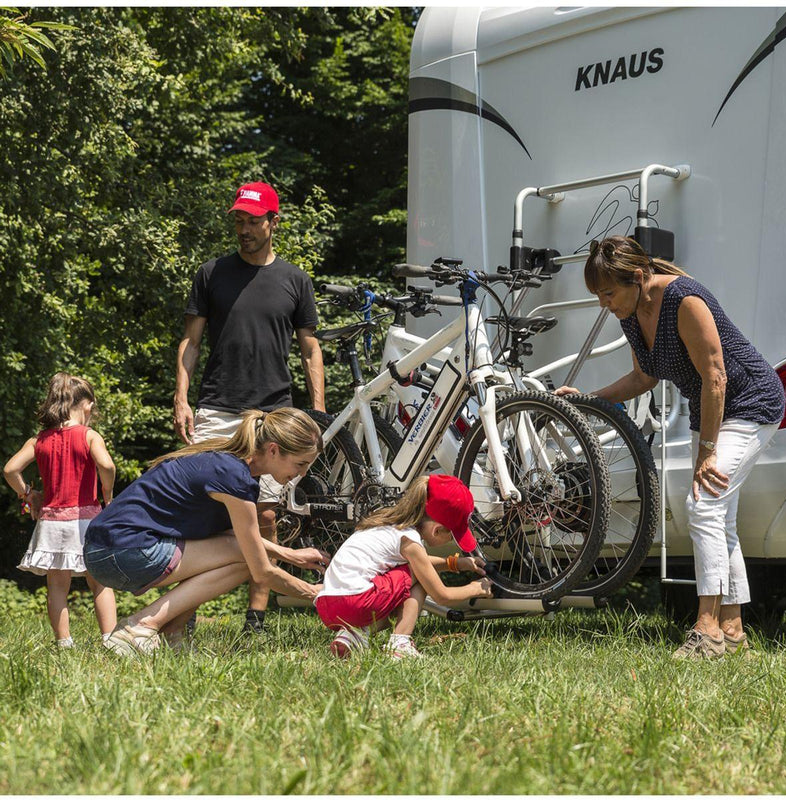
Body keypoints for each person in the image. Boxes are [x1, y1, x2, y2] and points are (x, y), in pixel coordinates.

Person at [555, 235, 785, 659]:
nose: (603, 303)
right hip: (710, 410)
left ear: (638, 277)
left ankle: (707, 630)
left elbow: (716, 376)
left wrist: (707, 452)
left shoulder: (684, 300)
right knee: (719, 515)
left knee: (703, 504)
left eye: (608, 292)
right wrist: (588, 399)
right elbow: (642, 378)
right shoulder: (631, 314)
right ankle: (733, 632)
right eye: (598, 295)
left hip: (750, 402)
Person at [172, 181, 326, 633]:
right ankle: (183, 616)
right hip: (217, 406)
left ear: (273, 222)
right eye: (239, 220)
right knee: (199, 512)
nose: (244, 229)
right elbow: (190, 341)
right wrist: (181, 397)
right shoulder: (212, 273)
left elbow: (310, 349)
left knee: (266, 515)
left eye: (253, 221)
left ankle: (255, 619)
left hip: (273, 413)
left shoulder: (295, 280)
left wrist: (316, 412)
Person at [83, 407, 331, 657]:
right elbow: (261, 570)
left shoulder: (228, 464)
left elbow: (234, 539)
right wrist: (315, 593)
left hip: (105, 551)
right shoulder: (235, 478)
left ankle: (173, 633)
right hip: (123, 551)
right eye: (301, 464)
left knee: (243, 553)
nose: (302, 474)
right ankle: (140, 626)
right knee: (249, 560)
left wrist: (289, 554)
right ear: (273, 450)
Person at [315, 474, 493, 660]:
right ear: (437, 530)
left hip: (327, 605)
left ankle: (355, 634)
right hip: (357, 602)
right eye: (452, 536)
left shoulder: (387, 524)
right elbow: (442, 595)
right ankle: (400, 643)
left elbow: (416, 564)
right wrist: (477, 589)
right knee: (422, 578)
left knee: (406, 584)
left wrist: (455, 563)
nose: (452, 541)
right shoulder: (410, 540)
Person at [3, 373, 117, 648]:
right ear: (87, 405)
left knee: (56, 586)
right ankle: (111, 640)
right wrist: (108, 494)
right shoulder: (89, 436)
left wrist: (29, 495)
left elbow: (10, 469)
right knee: (100, 582)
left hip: (51, 523)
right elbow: (107, 466)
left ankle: (64, 643)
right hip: (85, 521)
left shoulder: (39, 440)